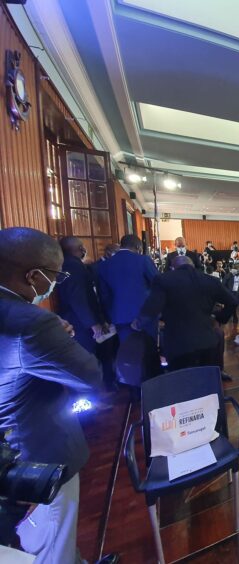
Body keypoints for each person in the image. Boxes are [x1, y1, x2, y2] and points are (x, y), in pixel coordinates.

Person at [0, 227, 105, 563]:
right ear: (33, 275)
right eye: (54, 276)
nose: (54, 285)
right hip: (38, 448)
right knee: (54, 538)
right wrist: (64, 341)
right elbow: (90, 375)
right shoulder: (31, 322)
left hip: (11, 443)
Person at [136, 256, 237, 373]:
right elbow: (233, 302)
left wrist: (137, 324)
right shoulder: (210, 280)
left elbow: (151, 310)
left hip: (178, 343)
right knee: (207, 383)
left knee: (183, 383)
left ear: (172, 268)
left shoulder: (163, 280)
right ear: (193, 266)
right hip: (207, 342)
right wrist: (219, 318)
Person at [98, 234, 159, 342]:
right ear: (138, 247)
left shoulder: (104, 265)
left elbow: (104, 295)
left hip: (119, 316)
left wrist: (109, 317)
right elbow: (158, 284)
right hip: (144, 316)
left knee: (127, 351)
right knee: (149, 350)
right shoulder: (143, 260)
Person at [57, 236, 107, 354]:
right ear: (81, 249)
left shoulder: (67, 263)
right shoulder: (73, 266)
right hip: (79, 322)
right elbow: (78, 297)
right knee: (87, 354)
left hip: (74, 318)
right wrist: (92, 323)